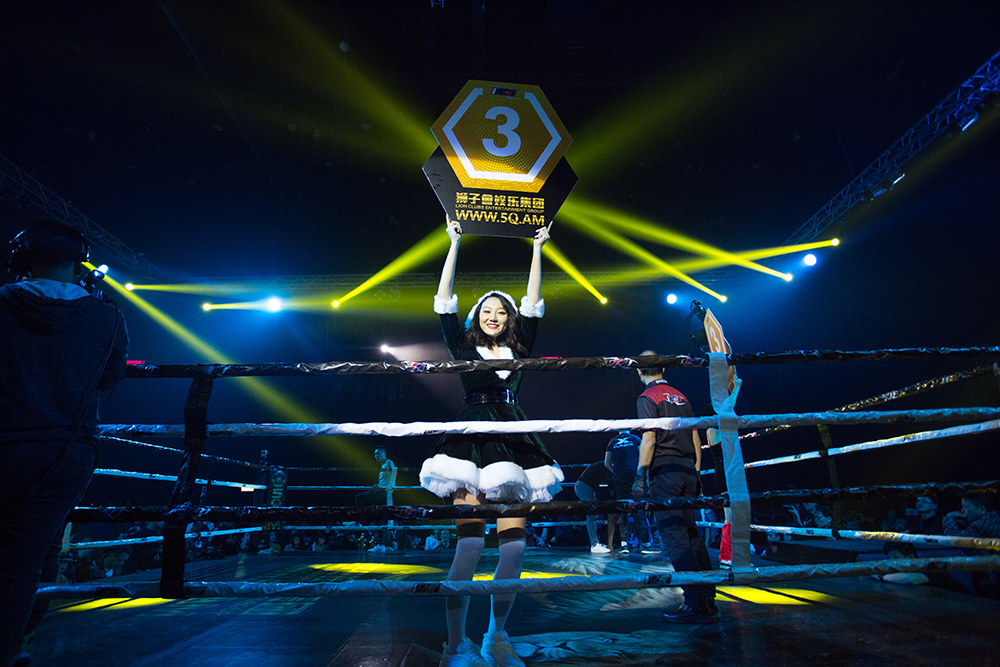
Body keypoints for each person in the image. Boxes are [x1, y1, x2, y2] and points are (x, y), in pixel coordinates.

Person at [419, 216, 562, 667]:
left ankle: (496, 636)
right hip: (472, 442)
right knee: (470, 544)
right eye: (487, 310)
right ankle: (455, 644)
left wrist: (538, 247)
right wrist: (453, 242)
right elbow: (443, 303)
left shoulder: (521, 348)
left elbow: (533, 301)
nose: (494, 316)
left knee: (515, 547)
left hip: (516, 441)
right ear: (477, 316)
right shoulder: (462, 346)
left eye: (501, 311)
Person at [1, 219, 129, 664]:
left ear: (20, 259)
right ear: (80, 266)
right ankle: (14, 647)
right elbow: (108, 381)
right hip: (64, 456)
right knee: (24, 563)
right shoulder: (108, 317)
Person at [630, 351, 717, 624]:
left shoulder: (647, 397)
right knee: (692, 534)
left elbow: (649, 438)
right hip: (688, 469)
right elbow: (695, 436)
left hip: (666, 470)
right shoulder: (681, 396)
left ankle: (695, 604)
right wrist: (696, 471)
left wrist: (640, 476)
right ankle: (708, 599)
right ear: (663, 370)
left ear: (639, 372)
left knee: (675, 535)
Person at [604, 430, 654, 553]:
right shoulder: (635, 439)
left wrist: (616, 473)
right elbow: (644, 457)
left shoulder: (612, 442)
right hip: (635, 477)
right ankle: (645, 543)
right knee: (640, 509)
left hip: (620, 479)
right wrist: (643, 477)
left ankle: (624, 543)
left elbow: (606, 463)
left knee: (623, 510)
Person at [573, 461, 614, 554]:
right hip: (584, 486)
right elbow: (610, 482)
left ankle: (595, 542)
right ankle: (594, 544)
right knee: (591, 514)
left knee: (593, 514)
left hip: (586, 486)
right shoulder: (607, 466)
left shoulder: (603, 465)